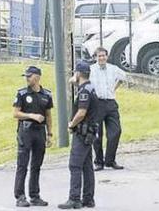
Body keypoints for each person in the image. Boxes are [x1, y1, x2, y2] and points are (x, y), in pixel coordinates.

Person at [60, 62, 100, 209]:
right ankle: (88, 199)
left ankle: (74, 198)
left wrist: (71, 124)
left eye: (75, 73)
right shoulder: (90, 88)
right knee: (87, 166)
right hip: (89, 133)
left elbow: (82, 112)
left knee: (75, 165)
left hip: (82, 133)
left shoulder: (84, 91)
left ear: (78, 74)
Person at [13, 66, 53, 207]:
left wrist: (50, 134)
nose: (27, 78)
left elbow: (48, 115)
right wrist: (31, 115)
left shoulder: (46, 94)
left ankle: (34, 195)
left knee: (37, 165)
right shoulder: (22, 94)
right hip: (26, 131)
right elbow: (16, 113)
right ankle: (20, 196)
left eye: (30, 76)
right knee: (22, 165)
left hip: (40, 132)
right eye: (26, 76)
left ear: (37, 77)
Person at [90, 47, 127, 171]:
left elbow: (123, 77)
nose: (101, 58)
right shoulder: (91, 70)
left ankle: (110, 160)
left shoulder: (113, 68)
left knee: (115, 132)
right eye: (99, 56)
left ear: (107, 56)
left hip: (110, 102)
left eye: (103, 56)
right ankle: (98, 161)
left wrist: (113, 88)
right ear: (95, 57)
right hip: (97, 103)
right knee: (97, 134)